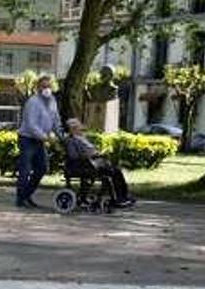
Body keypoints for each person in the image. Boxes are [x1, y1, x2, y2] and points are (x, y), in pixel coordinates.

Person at [65, 118, 134, 208]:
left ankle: (123, 197)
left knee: (116, 170)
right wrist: (92, 156)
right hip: (84, 165)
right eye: (79, 126)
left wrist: (98, 154)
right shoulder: (72, 140)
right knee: (112, 172)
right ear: (73, 129)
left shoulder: (82, 138)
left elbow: (91, 150)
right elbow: (73, 156)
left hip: (93, 162)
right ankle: (118, 199)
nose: (81, 127)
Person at [16, 75, 61, 208]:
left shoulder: (53, 101)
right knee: (25, 169)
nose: (46, 89)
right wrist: (46, 138)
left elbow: (56, 121)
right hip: (27, 139)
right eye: (43, 86)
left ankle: (27, 195)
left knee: (42, 168)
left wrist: (61, 135)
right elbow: (31, 125)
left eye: (48, 86)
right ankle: (21, 199)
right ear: (38, 88)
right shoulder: (33, 102)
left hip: (40, 140)